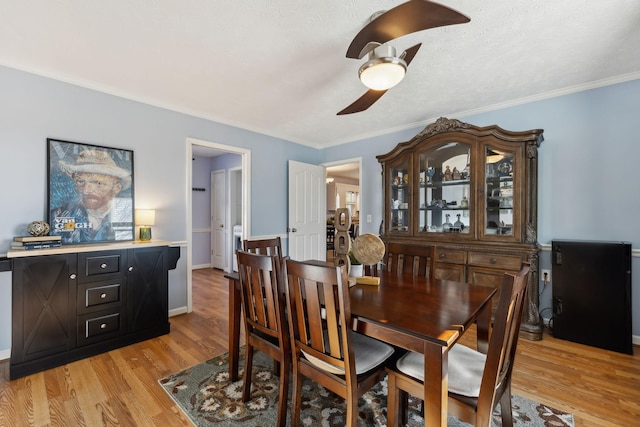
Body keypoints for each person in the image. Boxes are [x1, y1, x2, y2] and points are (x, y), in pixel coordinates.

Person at [50, 148, 133, 243]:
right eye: (81, 181)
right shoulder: (57, 216)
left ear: (116, 188)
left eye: (98, 183)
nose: (85, 190)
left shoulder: (124, 217)